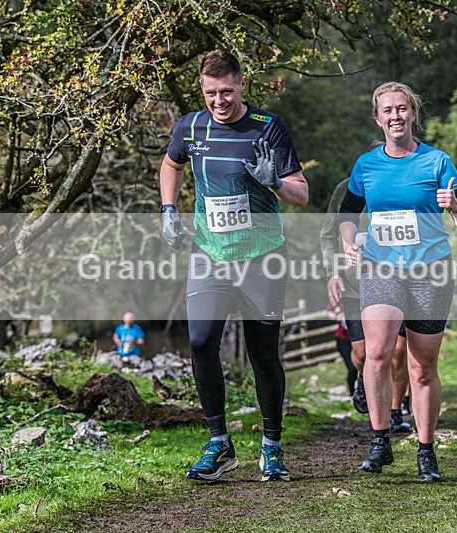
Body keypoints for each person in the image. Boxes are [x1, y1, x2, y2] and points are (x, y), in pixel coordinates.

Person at [159, 50, 308, 482]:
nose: (219, 101)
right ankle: (219, 443)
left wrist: (274, 181)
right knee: (202, 342)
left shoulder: (268, 127)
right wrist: (169, 209)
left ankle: (272, 446)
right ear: (201, 89)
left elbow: (302, 194)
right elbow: (171, 163)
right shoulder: (190, 126)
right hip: (210, 253)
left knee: (263, 354)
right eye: (210, 92)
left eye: (226, 91)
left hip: (262, 255)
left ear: (242, 85)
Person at [338, 81, 457, 482]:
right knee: (378, 353)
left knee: (421, 367)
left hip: (431, 271)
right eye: (388, 111)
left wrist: (456, 206)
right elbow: (347, 214)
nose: (395, 116)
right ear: (378, 118)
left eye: (402, 109)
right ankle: (380, 440)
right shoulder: (366, 165)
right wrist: (350, 243)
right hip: (381, 269)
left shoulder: (436, 162)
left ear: (413, 114)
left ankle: (426, 450)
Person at [320, 145, 412, 434]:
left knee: (397, 350)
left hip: (396, 279)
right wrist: (332, 272)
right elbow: (328, 234)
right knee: (361, 353)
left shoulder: (405, 188)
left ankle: (395, 410)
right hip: (354, 285)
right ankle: (366, 378)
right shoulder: (345, 190)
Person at [326, 302, 357, 396]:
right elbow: (328, 311)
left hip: (357, 338)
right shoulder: (339, 297)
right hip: (343, 340)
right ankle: (352, 394)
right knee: (352, 368)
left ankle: (363, 392)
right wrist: (336, 317)